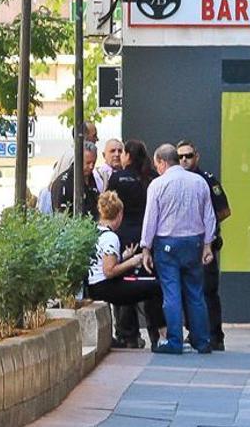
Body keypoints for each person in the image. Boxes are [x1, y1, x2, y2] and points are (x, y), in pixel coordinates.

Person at [140, 143, 216, 354]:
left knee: (171, 294)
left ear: (163, 162)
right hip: (194, 242)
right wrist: (208, 245)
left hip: (167, 245)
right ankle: (202, 340)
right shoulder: (199, 182)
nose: (156, 169)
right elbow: (209, 216)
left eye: (157, 165)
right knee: (195, 293)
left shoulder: (157, 185)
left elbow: (150, 220)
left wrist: (145, 248)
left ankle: (174, 341)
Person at [87, 191, 166, 346]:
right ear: (120, 214)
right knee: (155, 288)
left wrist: (124, 256)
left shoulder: (96, 231)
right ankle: (163, 336)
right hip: (104, 286)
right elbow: (109, 271)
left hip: (94, 285)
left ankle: (133, 334)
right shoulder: (111, 237)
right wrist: (133, 261)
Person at [177, 140, 230, 351]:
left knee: (208, 291)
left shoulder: (207, 180)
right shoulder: (175, 181)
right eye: (180, 157)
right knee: (187, 291)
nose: (184, 160)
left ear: (196, 156)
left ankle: (215, 335)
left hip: (205, 244)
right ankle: (195, 331)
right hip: (186, 244)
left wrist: (206, 225)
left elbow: (224, 210)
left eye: (188, 156)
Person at [107, 139, 158, 348]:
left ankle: (128, 334)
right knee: (151, 286)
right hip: (147, 236)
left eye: (122, 152)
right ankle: (156, 333)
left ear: (128, 155)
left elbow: (109, 206)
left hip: (123, 237)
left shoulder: (118, 178)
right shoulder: (151, 178)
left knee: (124, 284)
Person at [51, 141, 100, 218]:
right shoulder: (63, 183)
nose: (91, 167)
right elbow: (60, 216)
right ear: (78, 160)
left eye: (94, 163)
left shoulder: (91, 178)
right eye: (88, 163)